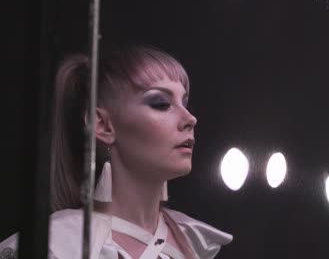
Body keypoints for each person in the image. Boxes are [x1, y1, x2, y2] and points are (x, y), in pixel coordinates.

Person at [0, 45, 232, 259]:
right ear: (102, 125)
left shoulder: (192, 240)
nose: (190, 118)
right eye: (161, 104)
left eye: (185, 103)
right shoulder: (58, 243)